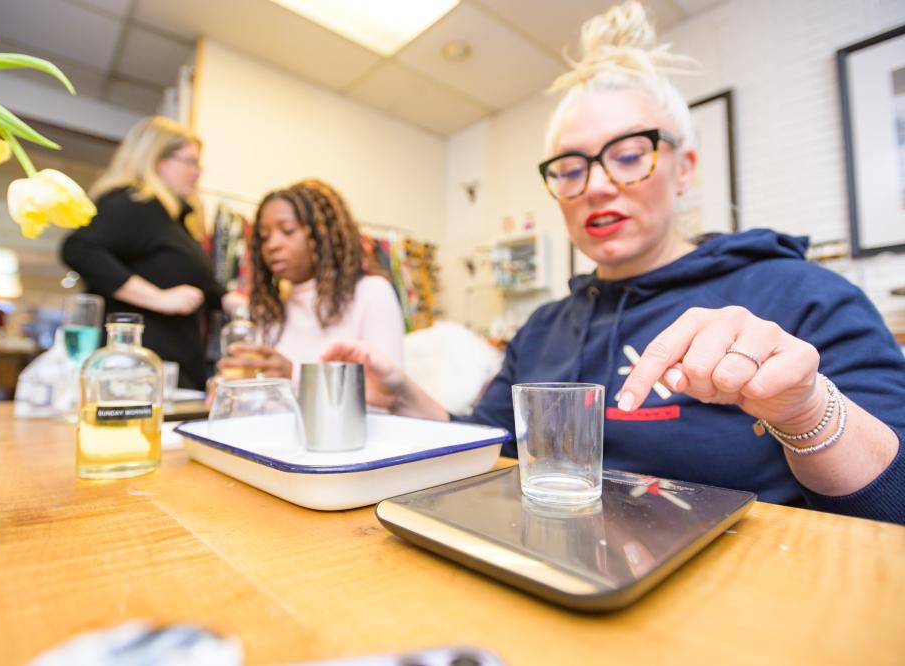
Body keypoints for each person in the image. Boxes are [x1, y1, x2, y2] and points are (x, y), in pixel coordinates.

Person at [322, 1, 905, 524]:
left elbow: (895, 502)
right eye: (571, 169)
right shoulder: (546, 326)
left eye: (629, 156)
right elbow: (490, 448)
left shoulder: (802, 294)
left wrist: (804, 408)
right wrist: (403, 396)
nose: (597, 185)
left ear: (684, 168)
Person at [60, 116, 241, 389]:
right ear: (156, 159)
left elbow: (198, 286)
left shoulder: (174, 221)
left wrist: (231, 300)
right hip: (135, 376)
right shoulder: (135, 204)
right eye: (190, 162)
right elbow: (79, 249)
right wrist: (159, 298)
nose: (197, 172)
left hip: (169, 370)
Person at [217, 179, 404, 382]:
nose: (272, 245)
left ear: (322, 235)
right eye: (263, 236)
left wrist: (294, 376)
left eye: (287, 231)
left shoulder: (372, 294)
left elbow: (388, 393)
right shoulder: (272, 312)